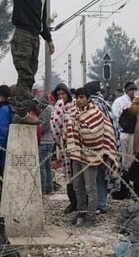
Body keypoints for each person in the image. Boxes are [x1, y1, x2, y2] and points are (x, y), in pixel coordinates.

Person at [0, 0, 55, 105]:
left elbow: (42, 22)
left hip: (35, 37)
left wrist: (49, 40)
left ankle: (24, 104)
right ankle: (22, 110)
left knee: (31, 74)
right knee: (25, 74)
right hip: (22, 34)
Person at [65, 87, 118, 227]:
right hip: (76, 153)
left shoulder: (96, 114)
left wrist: (79, 126)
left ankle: (91, 216)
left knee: (90, 187)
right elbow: (68, 132)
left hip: (91, 155)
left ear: (88, 98)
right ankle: (81, 211)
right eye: (77, 97)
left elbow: (95, 135)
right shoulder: (74, 113)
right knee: (77, 185)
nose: (79, 100)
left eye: (82, 97)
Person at [50, 83, 77, 214]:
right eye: (59, 95)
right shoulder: (56, 108)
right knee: (69, 176)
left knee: (79, 174)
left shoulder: (75, 105)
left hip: (77, 145)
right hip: (65, 145)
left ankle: (82, 203)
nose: (61, 97)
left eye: (63, 94)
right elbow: (54, 126)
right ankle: (73, 202)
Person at [0, 85, 13, 210]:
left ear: (0, 96)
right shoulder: (11, 107)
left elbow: (1, 131)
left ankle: (4, 206)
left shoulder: (3, 109)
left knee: (2, 179)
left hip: (3, 149)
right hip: (10, 148)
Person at [34, 93, 55, 195]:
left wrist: (36, 129)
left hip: (44, 141)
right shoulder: (49, 109)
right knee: (47, 166)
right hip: (49, 141)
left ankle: (43, 189)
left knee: (42, 166)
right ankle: (49, 187)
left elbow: (44, 126)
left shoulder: (48, 110)